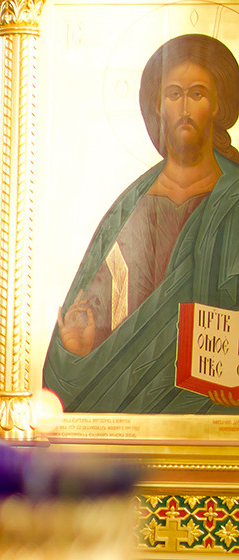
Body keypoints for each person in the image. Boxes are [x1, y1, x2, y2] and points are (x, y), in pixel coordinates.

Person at [43, 34, 239, 413]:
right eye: (173, 94)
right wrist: (79, 345)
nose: (184, 107)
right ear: (158, 105)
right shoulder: (131, 207)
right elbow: (106, 307)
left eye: (197, 94)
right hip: (134, 408)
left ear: (217, 105)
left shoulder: (234, 196)